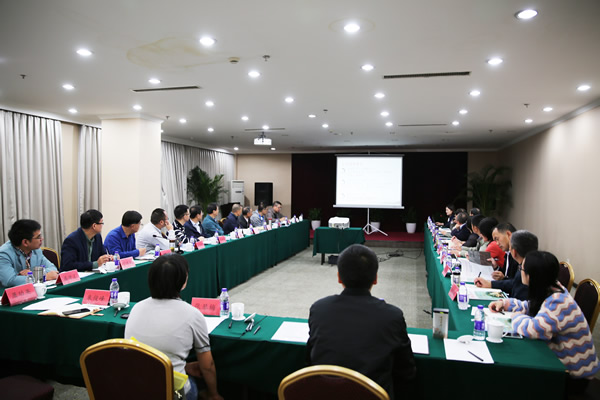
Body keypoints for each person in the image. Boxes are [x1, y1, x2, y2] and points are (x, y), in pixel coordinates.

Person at [307, 244, 417, 399]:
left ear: (339, 277)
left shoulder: (319, 309)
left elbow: (310, 358)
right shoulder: (392, 316)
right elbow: (406, 371)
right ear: (376, 278)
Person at [489, 251, 599, 393]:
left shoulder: (558, 301)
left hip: (573, 374)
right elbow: (530, 306)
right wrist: (505, 304)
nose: (520, 271)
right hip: (564, 363)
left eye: (522, 268)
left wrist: (514, 317)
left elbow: (535, 329)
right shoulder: (550, 288)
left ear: (531, 276)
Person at [124, 254, 223, 400]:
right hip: (173, 393)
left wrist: (185, 367)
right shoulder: (192, 314)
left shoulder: (136, 308)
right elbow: (207, 366)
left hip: (137, 388)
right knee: (192, 387)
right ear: (183, 281)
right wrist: (213, 394)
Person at [475, 230, 538, 300]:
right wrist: (491, 283)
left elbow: (516, 288)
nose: (497, 243)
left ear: (514, 252)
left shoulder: (523, 269)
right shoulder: (534, 263)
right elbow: (514, 283)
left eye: (497, 239)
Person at [0, 219, 59, 289]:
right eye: (38, 237)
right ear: (25, 242)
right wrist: (43, 277)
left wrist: (31, 274)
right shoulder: (3, 254)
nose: (42, 239)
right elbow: (9, 280)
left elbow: (52, 268)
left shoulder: (36, 250)